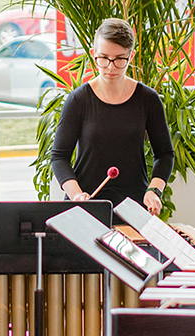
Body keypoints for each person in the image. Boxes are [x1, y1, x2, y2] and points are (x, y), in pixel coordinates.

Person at [51, 18, 174, 216]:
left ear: (131, 56)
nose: (110, 67)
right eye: (104, 58)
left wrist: (154, 190)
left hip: (133, 208)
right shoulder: (78, 100)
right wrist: (76, 195)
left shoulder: (147, 99)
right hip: (86, 207)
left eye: (119, 59)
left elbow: (165, 154)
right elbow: (59, 157)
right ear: (93, 54)